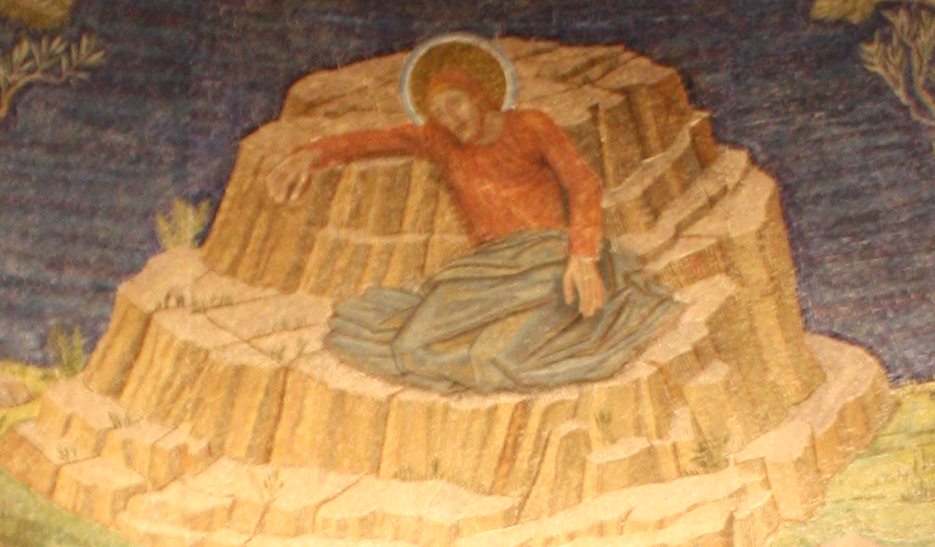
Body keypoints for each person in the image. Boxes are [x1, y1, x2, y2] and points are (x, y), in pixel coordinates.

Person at [268, 35, 676, 393]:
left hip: (551, 261)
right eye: (439, 113)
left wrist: (583, 254)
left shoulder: (529, 125)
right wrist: (311, 153)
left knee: (494, 358)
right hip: (487, 272)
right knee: (408, 348)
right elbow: (375, 140)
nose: (451, 118)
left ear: (477, 94)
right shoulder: (440, 141)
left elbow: (583, 184)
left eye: (455, 103)